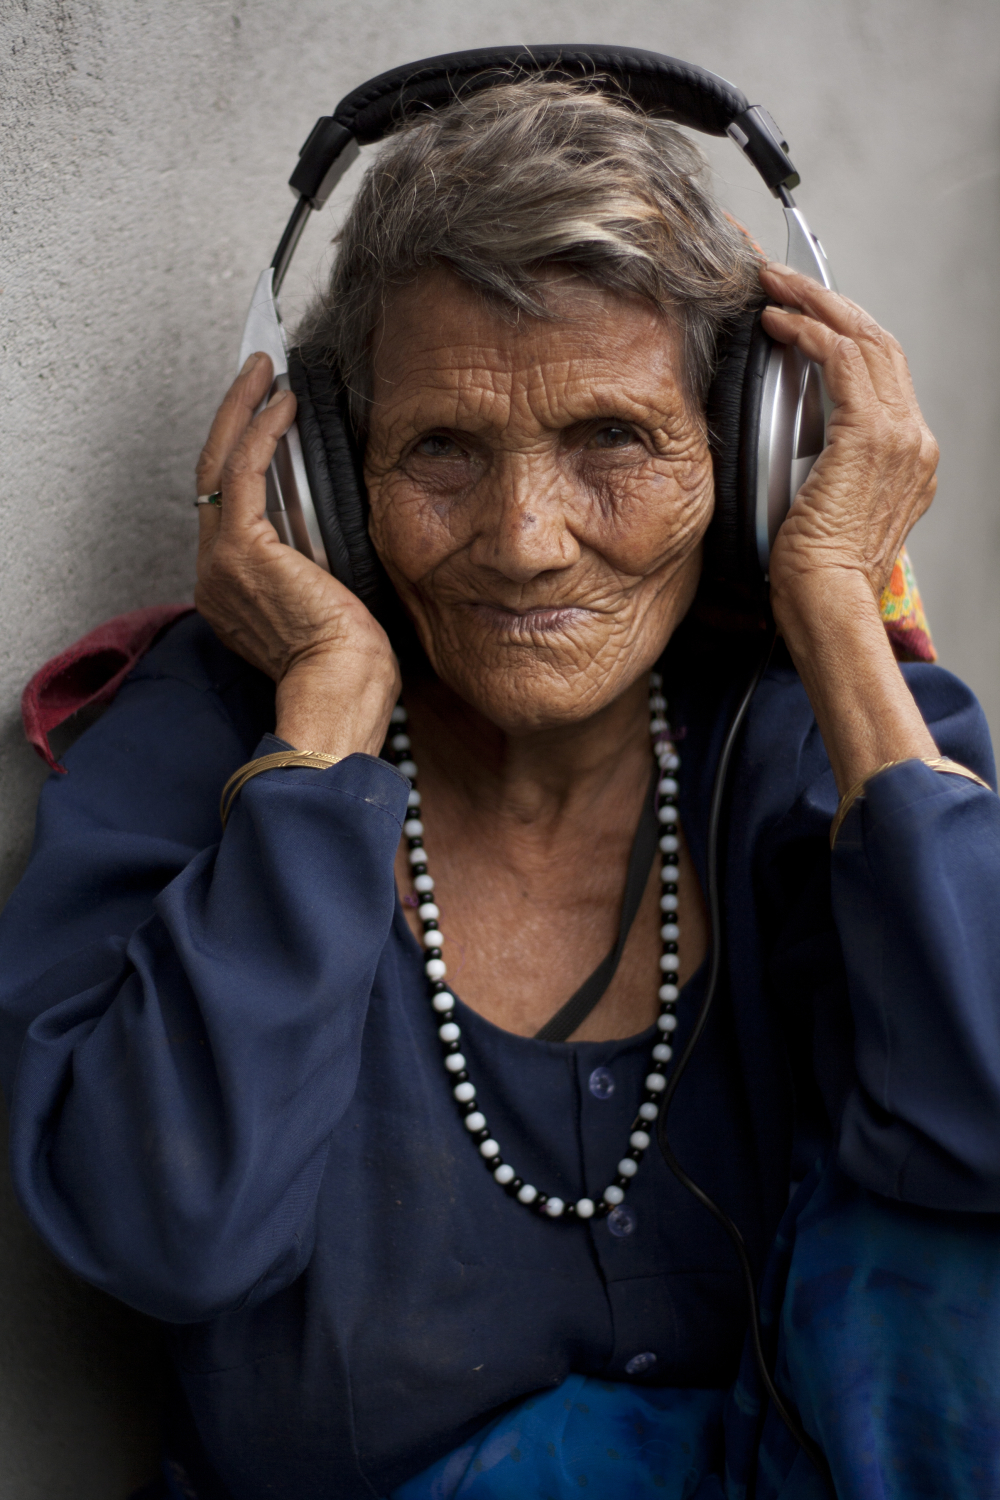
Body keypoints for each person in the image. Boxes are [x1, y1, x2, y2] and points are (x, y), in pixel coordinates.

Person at [2, 76, 999, 1500]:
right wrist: (327, 725)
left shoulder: (810, 733)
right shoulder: (213, 751)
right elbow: (170, 1233)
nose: (527, 543)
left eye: (613, 440)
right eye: (442, 452)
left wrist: (835, 608)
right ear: (324, 490)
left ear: (752, 450)